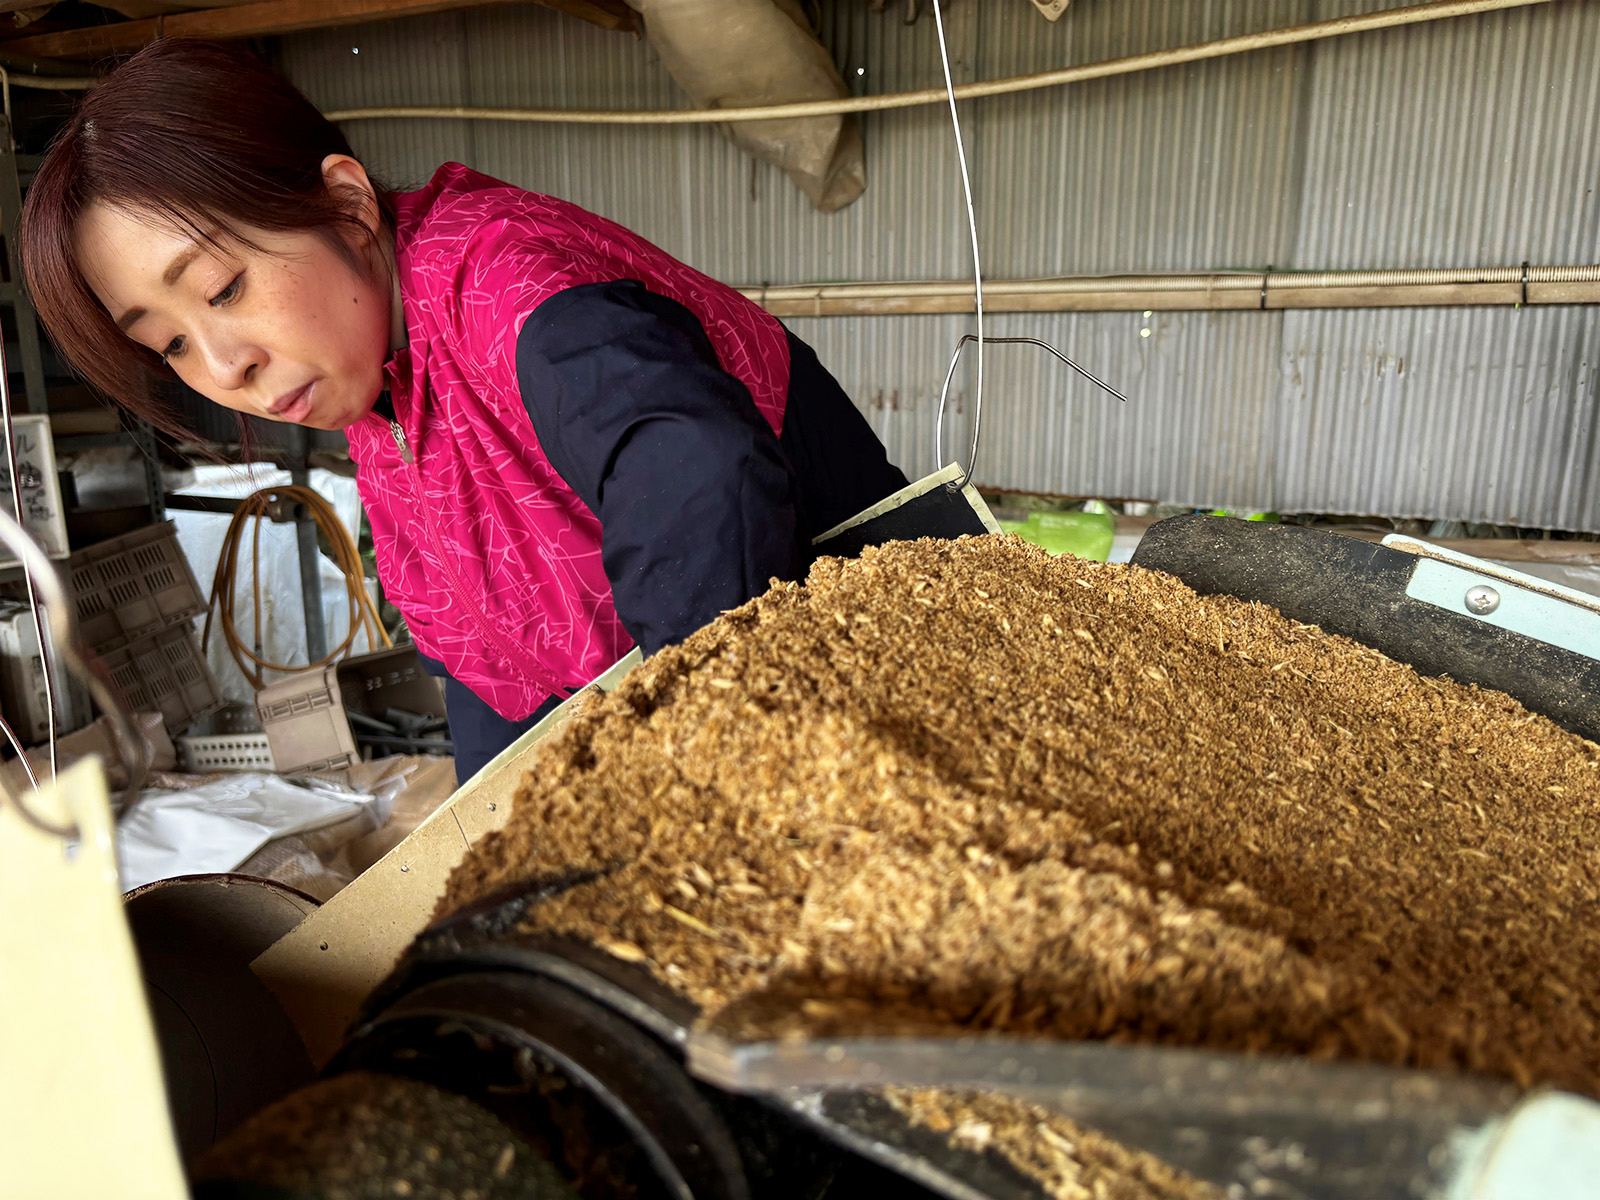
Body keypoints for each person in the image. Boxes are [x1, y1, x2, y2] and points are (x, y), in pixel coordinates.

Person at [21, 39, 908, 783]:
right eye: (169, 344)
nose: (223, 366)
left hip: (867, 673)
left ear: (345, 203)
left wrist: (680, 766)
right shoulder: (375, 384)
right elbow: (484, 661)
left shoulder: (507, 285)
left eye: (222, 288)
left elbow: (695, 482)